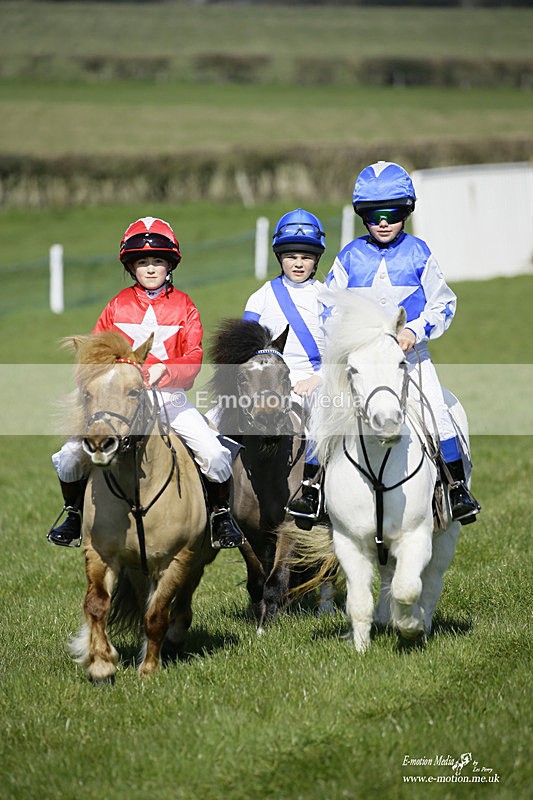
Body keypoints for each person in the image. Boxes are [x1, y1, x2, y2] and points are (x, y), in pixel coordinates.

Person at [47, 216, 244, 550]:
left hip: (170, 399)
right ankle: (73, 514)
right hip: (119, 401)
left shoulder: (185, 307)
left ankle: (220, 516)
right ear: (131, 267)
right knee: (67, 457)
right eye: (142, 262)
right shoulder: (116, 305)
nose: (151, 268)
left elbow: (194, 356)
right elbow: (93, 355)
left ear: (170, 265)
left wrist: (164, 370)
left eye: (158, 261)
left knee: (214, 452)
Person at [324, 160, 480, 524]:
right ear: (363, 215)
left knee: (438, 414)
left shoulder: (419, 252)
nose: (383, 221)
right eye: (374, 213)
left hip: (411, 359)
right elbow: (327, 307)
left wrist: (415, 331)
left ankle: (456, 489)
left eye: (392, 213)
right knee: (324, 411)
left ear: (406, 212)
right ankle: (313, 489)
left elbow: (444, 302)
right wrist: (346, 343)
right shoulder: (349, 256)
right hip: (361, 362)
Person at [243, 208, 328, 529]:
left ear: (316, 259)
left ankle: (312, 489)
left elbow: (337, 352)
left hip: (316, 382)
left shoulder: (327, 297)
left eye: (306, 257)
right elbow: (246, 348)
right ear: (279, 256)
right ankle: (220, 504)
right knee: (217, 424)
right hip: (268, 384)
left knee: (323, 421)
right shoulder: (261, 297)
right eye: (291, 255)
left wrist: (318, 379)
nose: (298, 263)